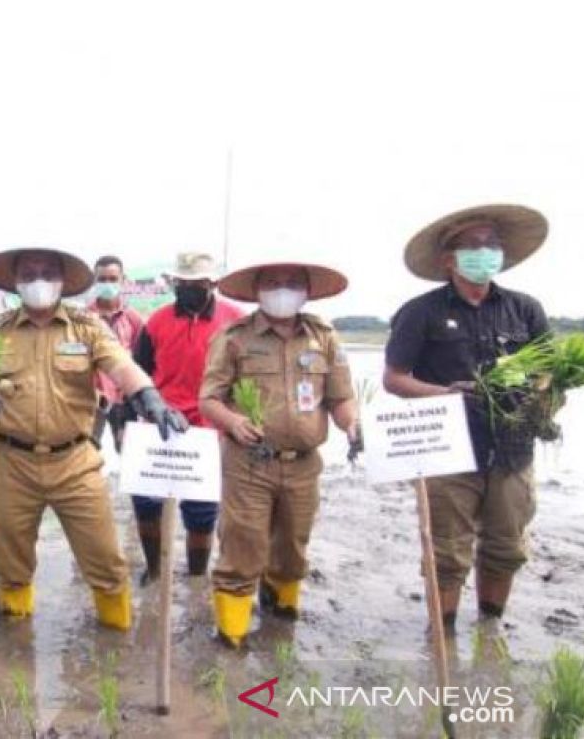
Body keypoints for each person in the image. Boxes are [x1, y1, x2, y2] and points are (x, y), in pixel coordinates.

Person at [0, 246, 188, 631]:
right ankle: (16, 645)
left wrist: (149, 398)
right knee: (10, 565)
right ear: (15, 282)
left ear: (63, 281)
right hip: (10, 463)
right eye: (28, 273)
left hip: (75, 461)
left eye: (47, 272)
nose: (38, 280)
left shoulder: (87, 327)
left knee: (105, 560)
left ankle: (115, 639)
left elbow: (121, 365)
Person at [383, 204, 551, 630]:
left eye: (493, 244)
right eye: (474, 245)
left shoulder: (525, 309)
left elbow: (548, 368)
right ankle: (444, 637)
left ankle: (490, 629)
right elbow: (395, 379)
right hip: (449, 450)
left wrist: (539, 392)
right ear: (449, 259)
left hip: (513, 449)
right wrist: (444, 394)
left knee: (505, 546)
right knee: (447, 553)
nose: (487, 251)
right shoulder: (421, 312)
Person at [200, 262, 359, 646]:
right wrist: (233, 422)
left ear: (307, 290)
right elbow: (209, 400)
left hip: (303, 465)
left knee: (292, 547)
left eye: (292, 283)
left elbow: (341, 398)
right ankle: (231, 635)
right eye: (273, 283)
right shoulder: (233, 337)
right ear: (257, 291)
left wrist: (352, 424)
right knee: (243, 544)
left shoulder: (324, 338)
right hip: (249, 464)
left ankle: (280, 613)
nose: (282, 290)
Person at [130, 252, 245, 582]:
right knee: (147, 502)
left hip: (209, 431)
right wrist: (134, 420)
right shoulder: (157, 321)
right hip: (158, 425)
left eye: (195, 283)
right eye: (181, 282)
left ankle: (196, 576)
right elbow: (138, 373)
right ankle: (153, 569)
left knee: (202, 512)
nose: (187, 288)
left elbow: (246, 379)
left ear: (212, 284)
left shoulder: (235, 321)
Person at [86, 255, 144, 450]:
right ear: (94, 282)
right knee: (87, 451)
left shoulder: (133, 319)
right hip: (93, 399)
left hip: (124, 399)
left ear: (123, 280)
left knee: (128, 453)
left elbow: (140, 359)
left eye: (112, 279)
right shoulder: (83, 320)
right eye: (102, 279)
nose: (107, 284)